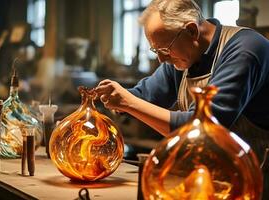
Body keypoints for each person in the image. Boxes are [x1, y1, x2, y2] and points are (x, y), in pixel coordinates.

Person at [95, 0, 269, 198]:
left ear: (192, 31)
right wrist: (111, 96)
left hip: (255, 180)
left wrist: (128, 102)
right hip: (212, 177)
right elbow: (145, 96)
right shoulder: (184, 55)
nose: (161, 59)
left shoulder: (245, 50)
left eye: (164, 50)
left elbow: (200, 129)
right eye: (156, 51)